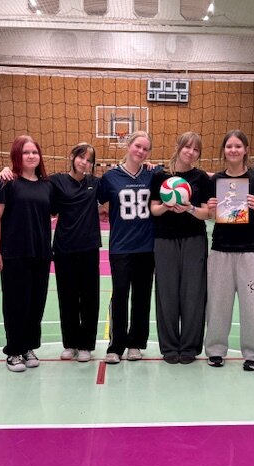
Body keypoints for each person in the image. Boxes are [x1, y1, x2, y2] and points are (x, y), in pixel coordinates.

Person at [0, 143, 101, 363]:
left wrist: (150, 166)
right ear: (72, 157)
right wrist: (7, 170)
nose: (84, 163)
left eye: (89, 160)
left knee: (90, 299)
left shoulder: (96, 183)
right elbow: (30, 183)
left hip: (89, 247)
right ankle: (70, 343)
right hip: (64, 249)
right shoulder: (55, 182)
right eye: (81, 157)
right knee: (67, 298)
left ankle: (85, 345)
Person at [204, 130, 254, 371]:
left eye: (238, 146)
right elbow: (211, 216)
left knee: (252, 305)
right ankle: (215, 350)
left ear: (246, 150)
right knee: (218, 304)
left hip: (251, 252)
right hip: (221, 250)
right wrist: (211, 209)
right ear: (224, 150)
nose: (233, 150)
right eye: (229, 146)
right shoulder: (216, 180)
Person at [0, 135, 53, 372]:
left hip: (41, 253)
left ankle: (28, 347)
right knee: (16, 303)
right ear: (17, 155)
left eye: (34, 152)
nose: (31, 156)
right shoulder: (6, 183)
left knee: (36, 303)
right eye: (26, 152)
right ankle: (14, 351)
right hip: (14, 253)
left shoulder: (46, 185)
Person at [149, 132, 212, 364]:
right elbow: (154, 209)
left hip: (194, 239)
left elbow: (207, 213)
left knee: (193, 293)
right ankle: (169, 348)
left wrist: (190, 209)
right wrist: (167, 206)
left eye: (196, 150)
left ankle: (189, 347)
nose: (190, 152)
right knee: (166, 293)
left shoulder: (201, 177)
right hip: (164, 240)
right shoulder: (160, 175)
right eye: (187, 147)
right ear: (178, 147)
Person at [98, 131, 156, 364]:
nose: (141, 151)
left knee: (142, 296)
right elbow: (96, 199)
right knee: (120, 294)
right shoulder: (110, 177)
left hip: (146, 247)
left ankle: (135, 344)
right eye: (137, 146)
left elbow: (181, 177)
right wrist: (103, 211)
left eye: (145, 148)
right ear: (128, 145)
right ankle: (116, 345)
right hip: (120, 247)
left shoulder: (153, 174)